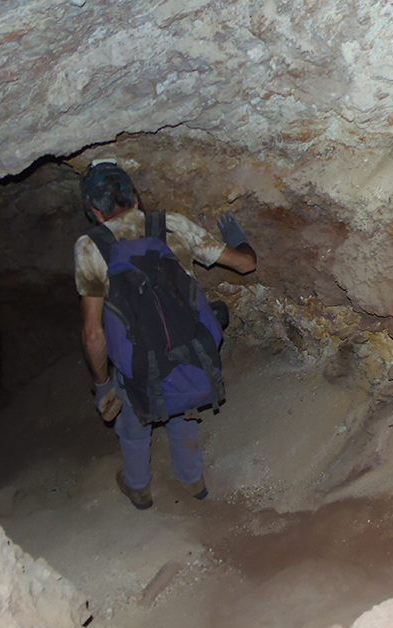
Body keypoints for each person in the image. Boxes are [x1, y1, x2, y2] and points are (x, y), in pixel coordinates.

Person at [74, 160, 257, 509]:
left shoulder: (90, 247)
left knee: (132, 418)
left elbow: (93, 334)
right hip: (190, 348)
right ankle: (193, 482)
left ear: (95, 212)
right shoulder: (171, 224)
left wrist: (102, 385)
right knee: (181, 395)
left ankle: (139, 488)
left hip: (139, 363)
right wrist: (239, 239)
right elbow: (245, 264)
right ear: (136, 197)